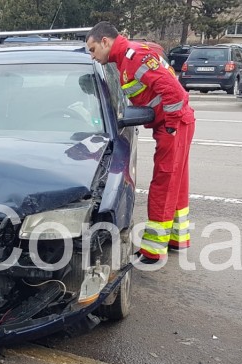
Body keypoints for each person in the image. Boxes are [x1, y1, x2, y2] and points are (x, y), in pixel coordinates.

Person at [86, 21, 195, 264]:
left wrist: (170, 125)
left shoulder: (134, 57)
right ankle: (177, 239)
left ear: (105, 42)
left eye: (93, 50)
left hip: (173, 125)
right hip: (173, 123)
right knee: (176, 180)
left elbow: (175, 94)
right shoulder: (124, 58)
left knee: (163, 183)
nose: (93, 57)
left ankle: (154, 252)